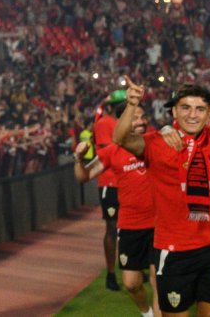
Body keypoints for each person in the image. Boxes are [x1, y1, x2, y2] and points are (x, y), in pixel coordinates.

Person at [114, 83, 210, 317]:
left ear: (209, 114)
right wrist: (131, 104)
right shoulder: (156, 142)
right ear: (174, 112)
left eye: (200, 109)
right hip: (174, 250)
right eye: (186, 108)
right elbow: (120, 138)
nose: (193, 114)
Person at [75, 102, 158, 317]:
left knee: (159, 282)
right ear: (122, 123)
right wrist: (78, 158)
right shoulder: (113, 151)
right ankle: (146, 313)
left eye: (143, 116)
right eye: (135, 117)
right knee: (131, 283)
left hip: (160, 225)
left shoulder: (156, 141)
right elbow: (83, 176)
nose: (141, 121)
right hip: (131, 225)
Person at [92, 91, 125, 291]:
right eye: (121, 104)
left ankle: (130, 264)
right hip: (110, 181)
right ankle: (111, 273)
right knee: (112, 227)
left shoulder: (123, 122)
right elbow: (107, 150)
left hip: (126, 181)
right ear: (112, 106)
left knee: (129, 227)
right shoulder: (105, 123)